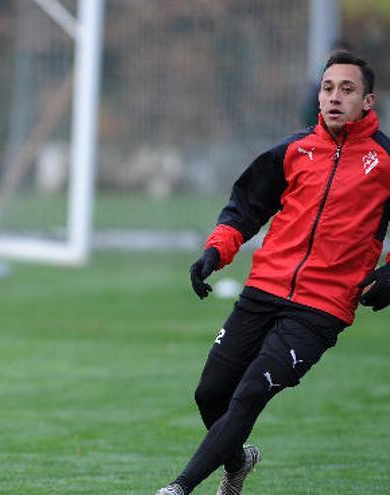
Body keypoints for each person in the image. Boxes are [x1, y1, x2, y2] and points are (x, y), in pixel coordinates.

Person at [156, 51, 390, 495]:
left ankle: (177, 488)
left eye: (347, 89)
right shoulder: (292, 151)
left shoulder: (385, 160)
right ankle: (239, 461)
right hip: (262, 290)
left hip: (321, 309)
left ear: (368, 100)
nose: (335, 97)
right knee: (210, 394)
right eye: (327, 88)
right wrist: (214, 253)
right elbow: (246, 207)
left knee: (248, 395)